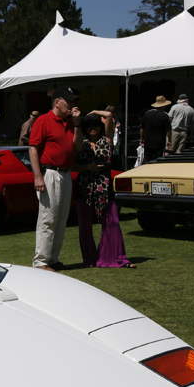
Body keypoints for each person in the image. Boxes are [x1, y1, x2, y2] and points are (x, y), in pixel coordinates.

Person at [28, 86, 82, 271]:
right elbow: (33, 148)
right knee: (48, 218)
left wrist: (77, 124)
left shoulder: (70, 123)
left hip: (65, 173)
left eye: (73, 101)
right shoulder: (43, 120)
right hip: (50, 172)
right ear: (57, 102)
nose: (72, 105)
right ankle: (41, 261)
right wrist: (37, 177)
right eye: (69, 101)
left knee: (61, 219)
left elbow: (78, 147)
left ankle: (52, 259)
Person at [74, 112, 133, 269]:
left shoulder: (107, 140)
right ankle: (89, 259)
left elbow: (109, 115)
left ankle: (116, 258)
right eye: (89, 125)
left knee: (111, 222)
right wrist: (88, 167)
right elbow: (72, 166)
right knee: (85, 226)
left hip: (104, 186)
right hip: (85, 187)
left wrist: (93, 112)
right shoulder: (81, 143)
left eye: (95, 125)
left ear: (101, 127)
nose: (92, 128)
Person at [140, 96, 172, 163]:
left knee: (147, 159)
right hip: (159, 142)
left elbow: (142, 128)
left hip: (148, 141)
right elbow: (168, 131)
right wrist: (169, 140)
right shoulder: (165, 115)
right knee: (158, 160)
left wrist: (141, 138)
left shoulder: (147, 113)